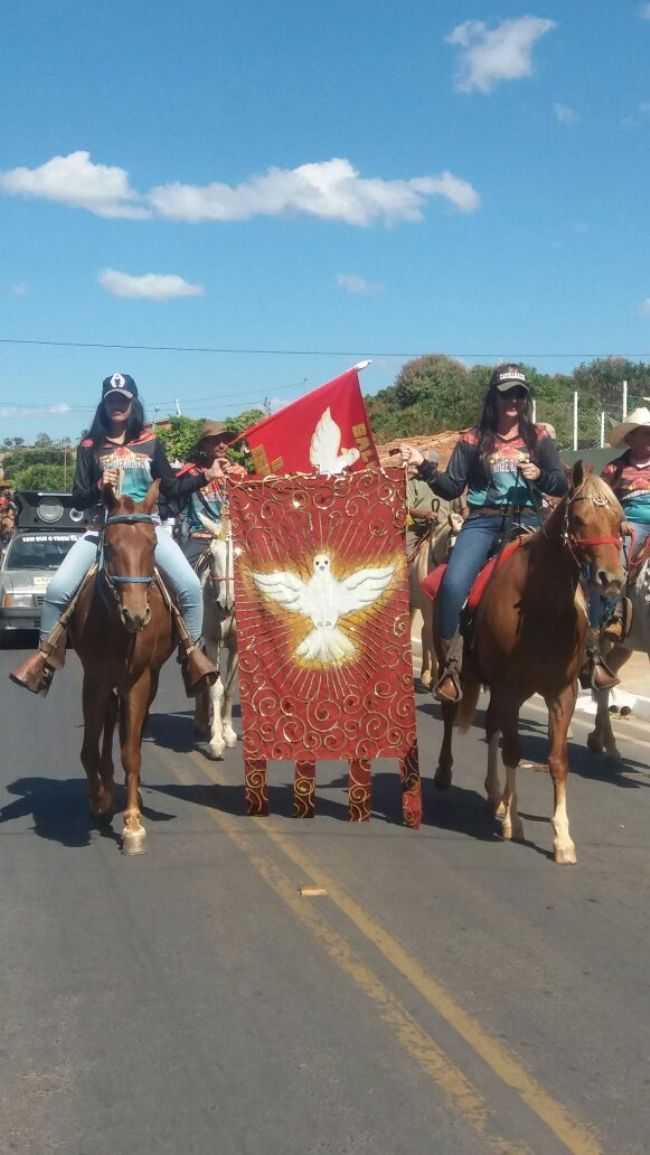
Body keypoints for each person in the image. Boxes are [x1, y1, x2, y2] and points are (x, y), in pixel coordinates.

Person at [10, 373, 226, 698]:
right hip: (101, 531)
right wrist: (99, 487)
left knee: (191, 587)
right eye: (112, 400)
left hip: (146, 529)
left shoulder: (151, 442)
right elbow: (79, 498)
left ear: (132, 403)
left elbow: (169, 487)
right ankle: (45, 660)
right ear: (104, 404)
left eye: (122, 400)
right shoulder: (88, 446)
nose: (117, 406)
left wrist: (205, 477)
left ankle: (192, 659)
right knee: (57, 590)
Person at [400, 364, 568, 702]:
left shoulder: (540, 438)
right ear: (494, 396)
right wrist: (425, 467)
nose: (514, 400)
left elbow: (560, 483)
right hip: (483, 521)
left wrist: (539, 475)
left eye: (520, 393)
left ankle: (579, 657)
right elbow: (451, 488)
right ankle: (451, 668)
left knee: (567, 583)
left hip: (528, 522)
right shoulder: (473, 439)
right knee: (451, 586)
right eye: (507, 393)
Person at [593, 406, 650, 647]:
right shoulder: (614, 468)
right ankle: (613, 616)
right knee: (619, 563)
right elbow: (602, 501)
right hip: (632, 524)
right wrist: (620, 522)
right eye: (645, 433)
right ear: (630, 438)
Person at [176, 421, 247, 564]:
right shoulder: (190, 471)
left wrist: (241, 478)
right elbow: (176, 490)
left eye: (225, 441)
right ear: (204, 444)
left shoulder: (236, 470)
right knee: (181, 574)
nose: (222, 445)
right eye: (215, 441)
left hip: (234, 535)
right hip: (202, 535)